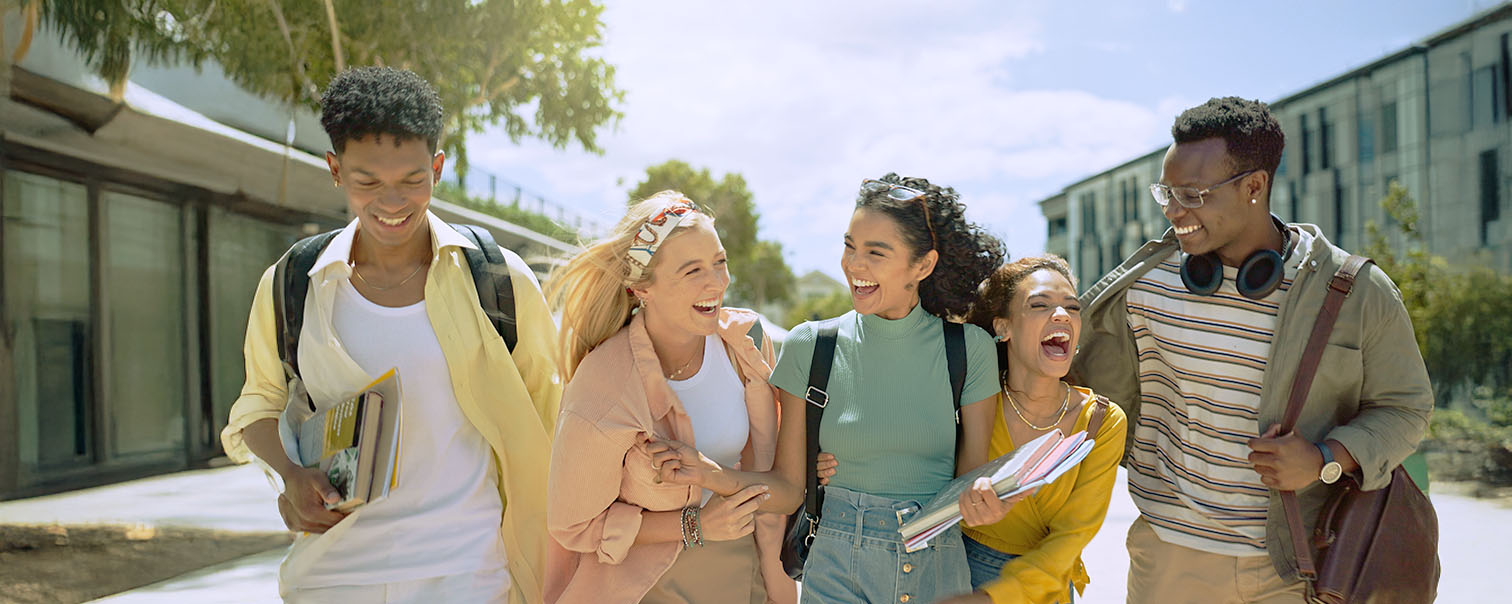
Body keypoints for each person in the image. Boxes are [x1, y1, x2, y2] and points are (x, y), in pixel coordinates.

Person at [1069, 97, 1433, 603]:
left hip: (1292, 566)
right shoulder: (1144, 287)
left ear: (1254, 187)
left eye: (1192, 195)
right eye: (1167, 193)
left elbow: (1406, 408)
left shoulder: (1355, 292)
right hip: (1168, 560)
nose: (1174, 211)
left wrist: (1326, 458)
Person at [220, 67, 561, 603]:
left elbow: (552, 412)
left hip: (466, 574)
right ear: (334, 169)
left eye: (411, 179)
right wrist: (289, 474)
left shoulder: (498, 280)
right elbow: (259, 402)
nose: (392, 201)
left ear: (438, 168)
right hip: (331, 575)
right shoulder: (294, 282)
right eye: (367, 182)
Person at [818, 256, 1127, 604]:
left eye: (1072, 307)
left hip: (1045, 586)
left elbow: (1072, 537)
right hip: (952, 569)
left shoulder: (1102, 420)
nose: (1062, 315)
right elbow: (893, 442)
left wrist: (993, 597)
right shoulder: (971, 399)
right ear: (1003, 327)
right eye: (1040, 305)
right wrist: (830, 459)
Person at [542, 191, 798, 604]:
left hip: (747, 575)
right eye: (692, 270)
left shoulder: (747, 344)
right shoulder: (603, 384)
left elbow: (780, 472)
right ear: (643, 288)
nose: (716, 283)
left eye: (719, 262)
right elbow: (574, 526)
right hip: (646, 588)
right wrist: (694, 525)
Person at [768, 174, 1007, 604]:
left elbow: (970, 481)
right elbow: (787, 487)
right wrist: (711, 477)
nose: (854, 265)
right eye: (849, 246)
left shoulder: (970, 350)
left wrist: (988, 501)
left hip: (937, 564)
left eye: (875, 253)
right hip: (834, 563)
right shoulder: (809, 346)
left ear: (923, 266)